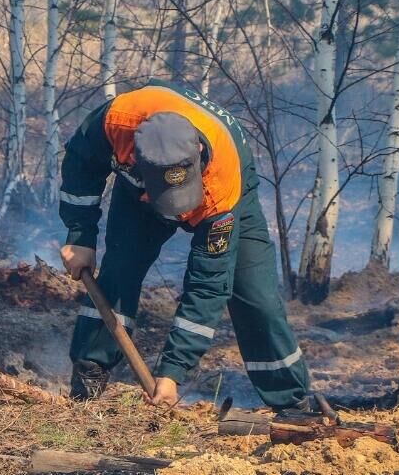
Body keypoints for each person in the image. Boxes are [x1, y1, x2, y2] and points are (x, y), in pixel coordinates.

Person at [58, 81, 313, 409]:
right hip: (138, 195)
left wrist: (172, 372)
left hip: (223, 191)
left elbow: (207, 287)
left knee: (255, 296)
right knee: (121, 268)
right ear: (135, 159)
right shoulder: (117, 121)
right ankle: (89, 371)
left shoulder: (223, 190)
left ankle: (291, 404)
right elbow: (81, 165)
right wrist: (80, 237)